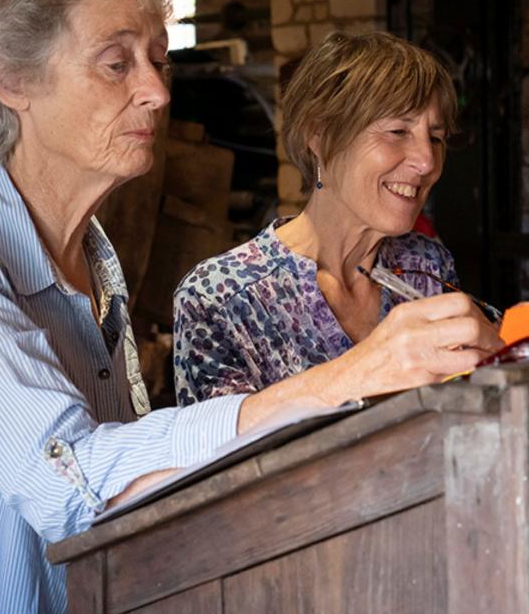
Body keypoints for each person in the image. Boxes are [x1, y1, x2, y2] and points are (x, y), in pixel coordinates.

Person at [0, 0, 499, 614]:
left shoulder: (96, 264)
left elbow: (148, 506)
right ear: (12, 81)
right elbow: (74, 482)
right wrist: (350, 376)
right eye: (116, 62)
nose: (158, 91)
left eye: (157, 61)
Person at [173, 31, 503, 405]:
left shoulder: (424, 263)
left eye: (436, 138)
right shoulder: (222, 298)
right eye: (398, 131)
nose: (427, 162)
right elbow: (219, 456)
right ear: (320, 134)